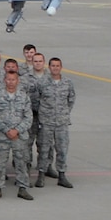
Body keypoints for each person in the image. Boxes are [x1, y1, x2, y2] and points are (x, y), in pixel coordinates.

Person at [0, 70, 35, 200]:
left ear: (17, 81)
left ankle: (23, 188)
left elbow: (28, 118)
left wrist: (17, 130)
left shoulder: (24, 97)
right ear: (4, 80)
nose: (10, 82)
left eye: (13, 79)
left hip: (19, 137)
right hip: (2, 136)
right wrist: (7, 130)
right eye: (8, 79)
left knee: (22, 163)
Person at [34, 57, 77, 188]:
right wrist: (44, 114)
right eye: (53, 66)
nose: (55, 68)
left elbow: (71, 100)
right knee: (44, 149)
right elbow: (36, 100)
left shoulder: (67, 83)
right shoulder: (42, 82)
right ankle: (41, 174)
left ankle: (62, 174)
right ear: (49, 67)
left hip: (62, 122)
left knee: (62, 148)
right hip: (46, 122)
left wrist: (63, 113)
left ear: (61, 67)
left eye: (57, 66)